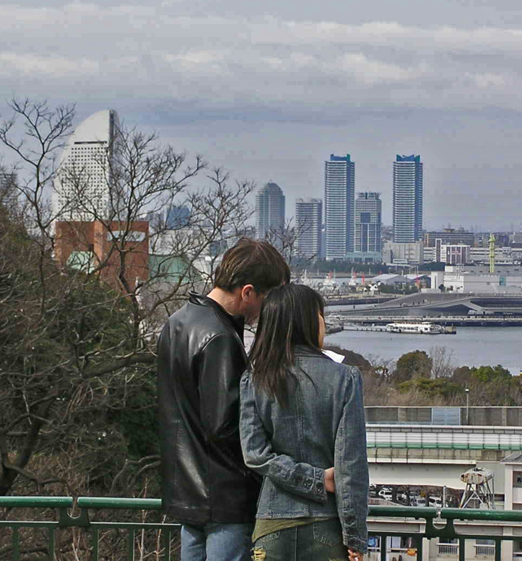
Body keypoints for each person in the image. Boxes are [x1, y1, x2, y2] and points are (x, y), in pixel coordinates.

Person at [157, 238, 291, 561]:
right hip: (224, 499)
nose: (267, 310)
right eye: (267, 298)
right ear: (247, 292)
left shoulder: (176, 323)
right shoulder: (220, 338)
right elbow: (225, 426)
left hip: (186, 492)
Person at [240, 284, 369, 561]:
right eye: (321, 315)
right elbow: (351, 467)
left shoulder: (255, 379)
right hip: (327, 526)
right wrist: (355, 537)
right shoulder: (345, 379)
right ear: (309, 321)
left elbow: (255, 456)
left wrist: (313, 480)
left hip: (272, 524)